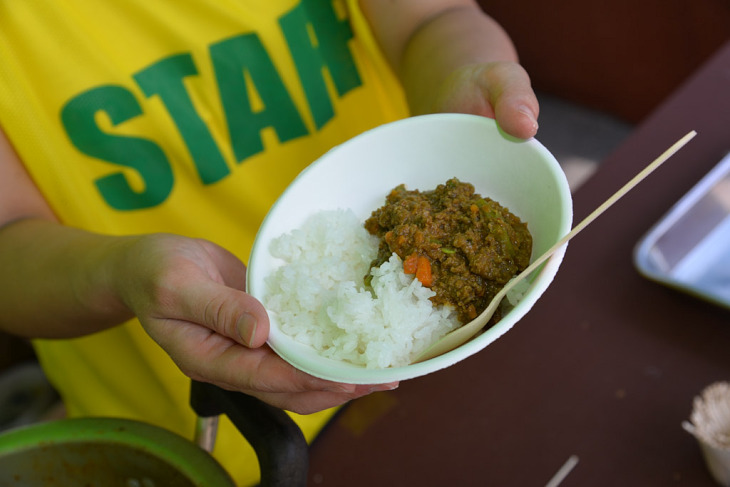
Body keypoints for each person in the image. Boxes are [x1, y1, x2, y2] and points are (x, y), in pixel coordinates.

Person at [0, 0, 538, 484]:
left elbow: (432, 17)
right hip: (197, 431)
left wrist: (462, 79)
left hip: (451, 357)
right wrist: (121, 273)